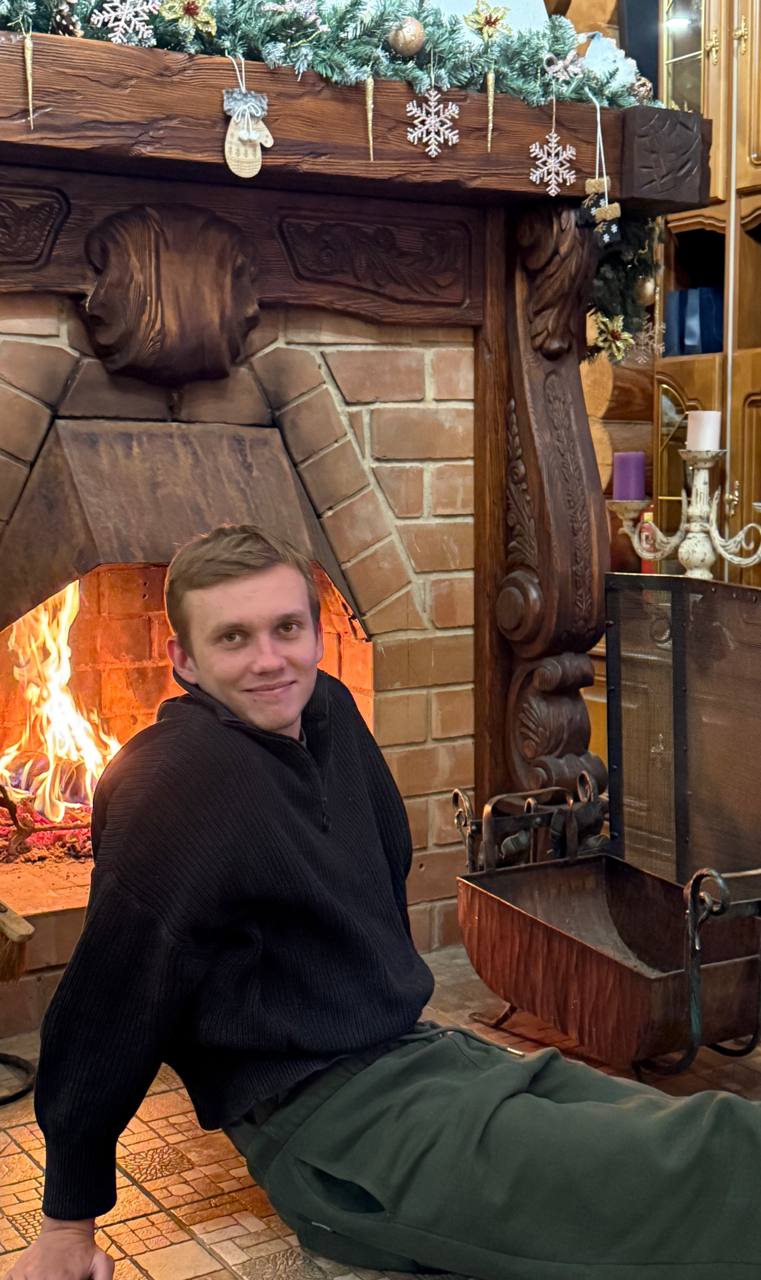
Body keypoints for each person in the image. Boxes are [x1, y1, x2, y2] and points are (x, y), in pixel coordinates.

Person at [10, 523, 761, 1280]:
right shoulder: (170, 783)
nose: (269, 659)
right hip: (334, 1130)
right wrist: (67, 1223)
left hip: (421, 1054)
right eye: (233, 637)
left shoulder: (330, 712)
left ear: (316, 634)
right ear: (184, 660)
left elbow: (383, 864)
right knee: (697, 1174)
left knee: (720, 1131)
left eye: (286, 628)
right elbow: (110, 1001)